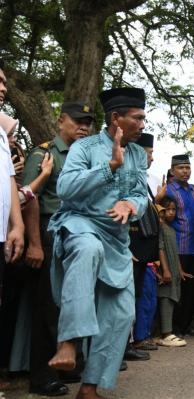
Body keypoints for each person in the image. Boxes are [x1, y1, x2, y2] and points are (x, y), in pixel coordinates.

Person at [46, 87, 148, 399]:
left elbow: (140, 193)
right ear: (116, 118)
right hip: (81, 223)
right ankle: (69, 342)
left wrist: (129, 206)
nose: (143, 124)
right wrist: (110, 167)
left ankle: (89, 388)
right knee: (87, 248)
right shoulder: (85, 147)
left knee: (120, 314)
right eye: (138, 118)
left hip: (116, 238)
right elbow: (65, 188)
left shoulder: (138, 153)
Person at [22, 101, 95, 396]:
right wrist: (36, 245)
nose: (84, 127)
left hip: (79, 232)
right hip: (50, 231)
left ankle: (69, 364)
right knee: (48, 306)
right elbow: (29, 198)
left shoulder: (86, 157)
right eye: (78, 121)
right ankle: (42, 376)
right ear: (60, 120)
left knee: (73, 302)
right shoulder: (44, 154)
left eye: (88, 123)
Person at [0, 59, 26, 392]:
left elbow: (10, 181)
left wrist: (17, 226)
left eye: (5, 82)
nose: (4, 87)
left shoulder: (2, 134)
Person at [157, 154, 194, 336]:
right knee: (175, 288)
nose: (185, 171)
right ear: (172, 170)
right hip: (176, 246)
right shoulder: (168, 190)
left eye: (188, 168)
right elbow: (159, 215)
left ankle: (185, 324)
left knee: (192, 288)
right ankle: (171, 327)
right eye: (181, 168)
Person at [127, 132, 160, 355]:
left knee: (138, 294)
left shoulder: (149, 179)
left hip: (144, 250)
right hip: (130, 247)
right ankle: (125, 344)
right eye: (149, 153)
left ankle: (133, 341)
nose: (151, 158)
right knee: (126, 297)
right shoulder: (127, 176)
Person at [155, 196, 189, 347]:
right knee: (165, 299)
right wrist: (166, 270)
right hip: (166, 270)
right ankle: (166, 334)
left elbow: (174, 252)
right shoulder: (161, 226)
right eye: (167, 209)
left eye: (173, 209)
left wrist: (180, 270)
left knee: (171, 299)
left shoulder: (170, 228)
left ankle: (164, 332)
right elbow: (160, 248)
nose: (170, 212)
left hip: (174, 271)